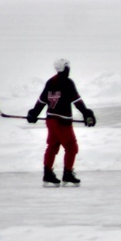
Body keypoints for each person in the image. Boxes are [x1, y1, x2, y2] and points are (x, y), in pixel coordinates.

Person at [26, 58, 96, 186]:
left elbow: (42, 101)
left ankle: (47, 174)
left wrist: (34, 113)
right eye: (68, 67)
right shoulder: (67, 83)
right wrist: (86, 113)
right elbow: (77, 101)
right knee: (72, 147)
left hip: (51, 120)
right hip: (62, 122)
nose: (69, 69)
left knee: (52, 146)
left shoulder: (50, 82)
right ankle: (67, 174)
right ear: (65, 68)